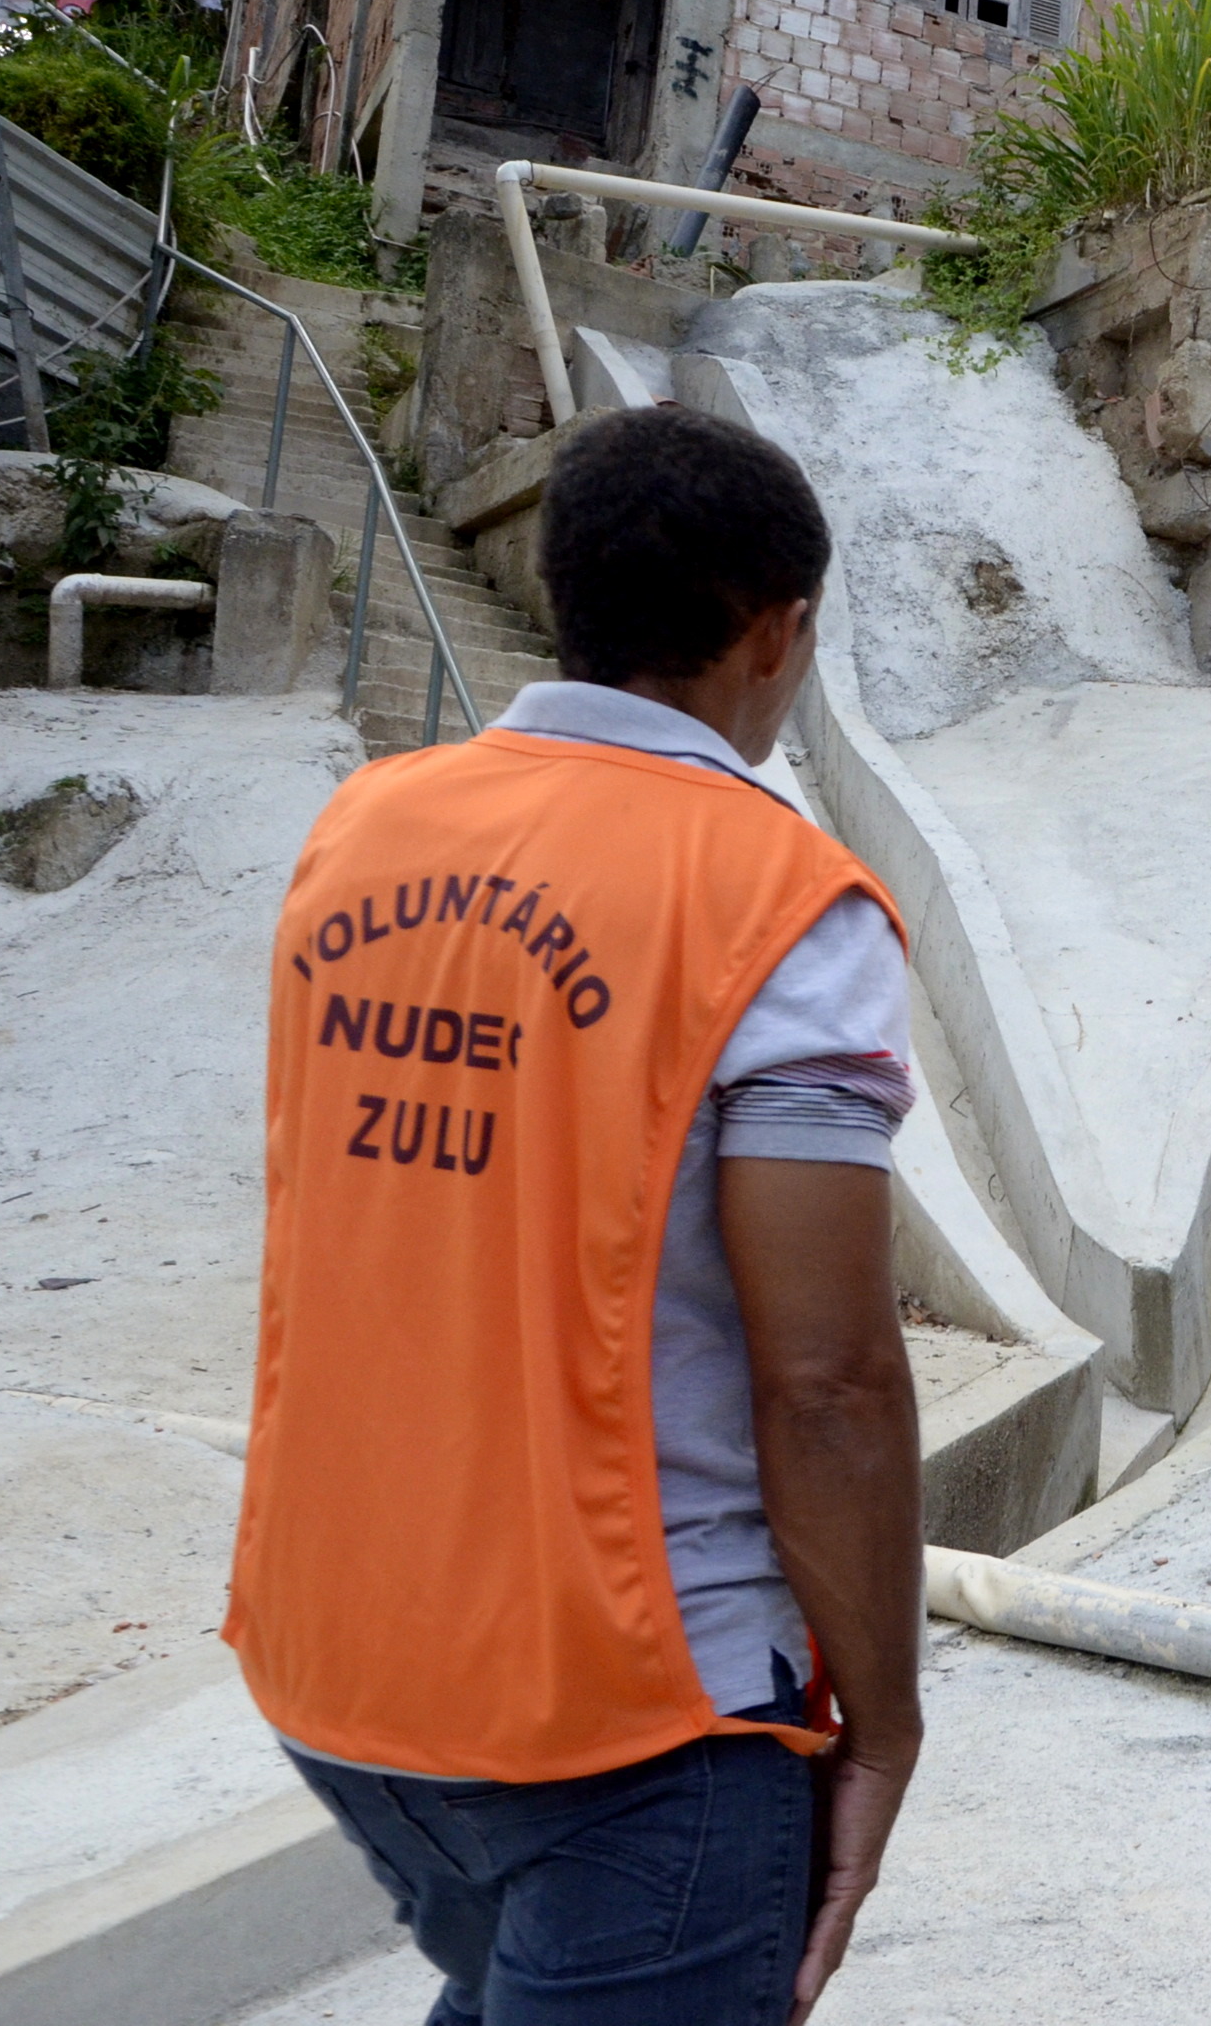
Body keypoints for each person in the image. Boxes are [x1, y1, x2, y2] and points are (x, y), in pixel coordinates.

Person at [230, 405, 927, 2026]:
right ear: (778, 630)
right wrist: (882, 1722)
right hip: (626, 1704)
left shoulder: (359, 831)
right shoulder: (782, 903)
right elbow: (825, 1381)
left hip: (335, 1664)